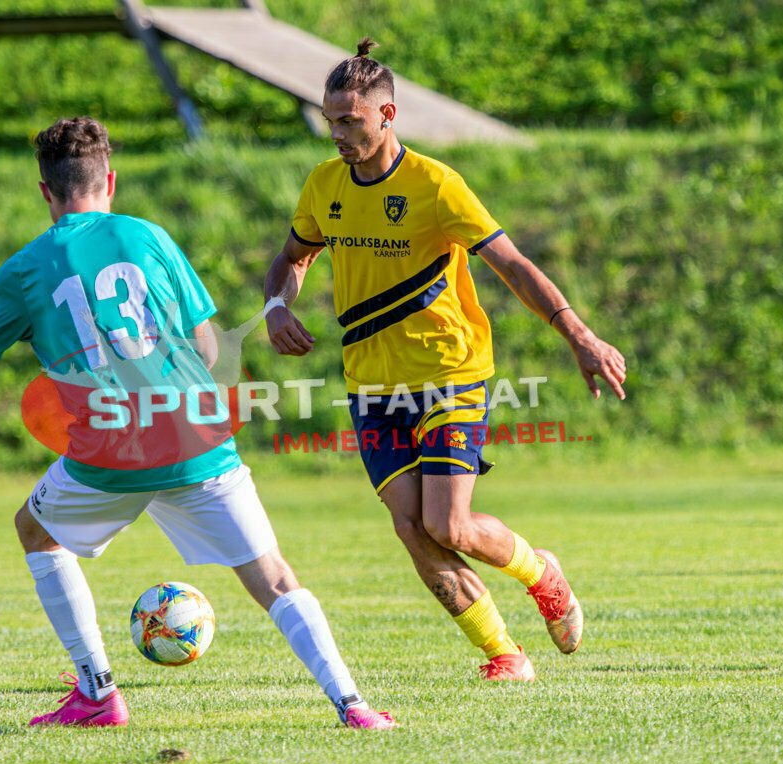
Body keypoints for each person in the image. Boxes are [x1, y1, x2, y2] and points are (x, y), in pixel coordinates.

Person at [0, 116, 395, 730]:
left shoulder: (26, 268)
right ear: (109, 181)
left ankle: (97, 693)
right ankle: (353, 706)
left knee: (37, 533)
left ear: (45, 191)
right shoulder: (150, 237)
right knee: (275, 578)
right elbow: (206, 346)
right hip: (195, 436)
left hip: (108, 449)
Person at [264, 39, 627, 681]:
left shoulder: (436, 186)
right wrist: (277, 307)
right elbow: (293, 257)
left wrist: (579, 334)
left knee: (449, 524)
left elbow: (512, 264)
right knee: (411, 528)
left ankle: (542, 574)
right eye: (330, 120)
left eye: (350, 119)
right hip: (371, 385)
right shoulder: (324, 185)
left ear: (387, 115)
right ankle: (504, 655)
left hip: (450, 373)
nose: (339, 133)